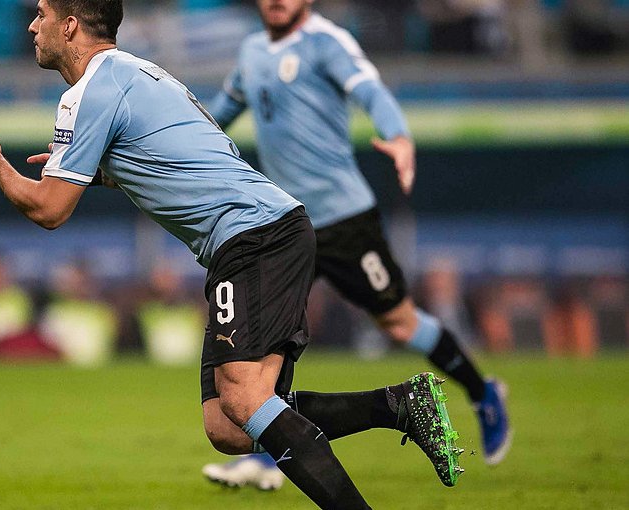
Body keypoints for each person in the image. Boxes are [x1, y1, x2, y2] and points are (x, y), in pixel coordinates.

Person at [0, 1, 462, 506]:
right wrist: (99, 171)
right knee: (228, 426)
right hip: (261, 233)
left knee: (242, 398)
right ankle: (398, 405)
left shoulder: (90, 91)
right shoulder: (141, 73)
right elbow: (191, 155)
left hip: (255, 236)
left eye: (42, 14)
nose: (32, 26)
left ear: (71, 26)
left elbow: (50, 210)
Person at [201, 0, 510, 490]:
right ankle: (269, 457)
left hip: (345, 221)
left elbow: (371, 92)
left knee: (400, 322)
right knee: (266, 347)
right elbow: (217, 118)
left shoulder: (327, 42)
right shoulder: (252, 51)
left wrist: (399, 136)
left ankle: (483, 392)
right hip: (283, 226)